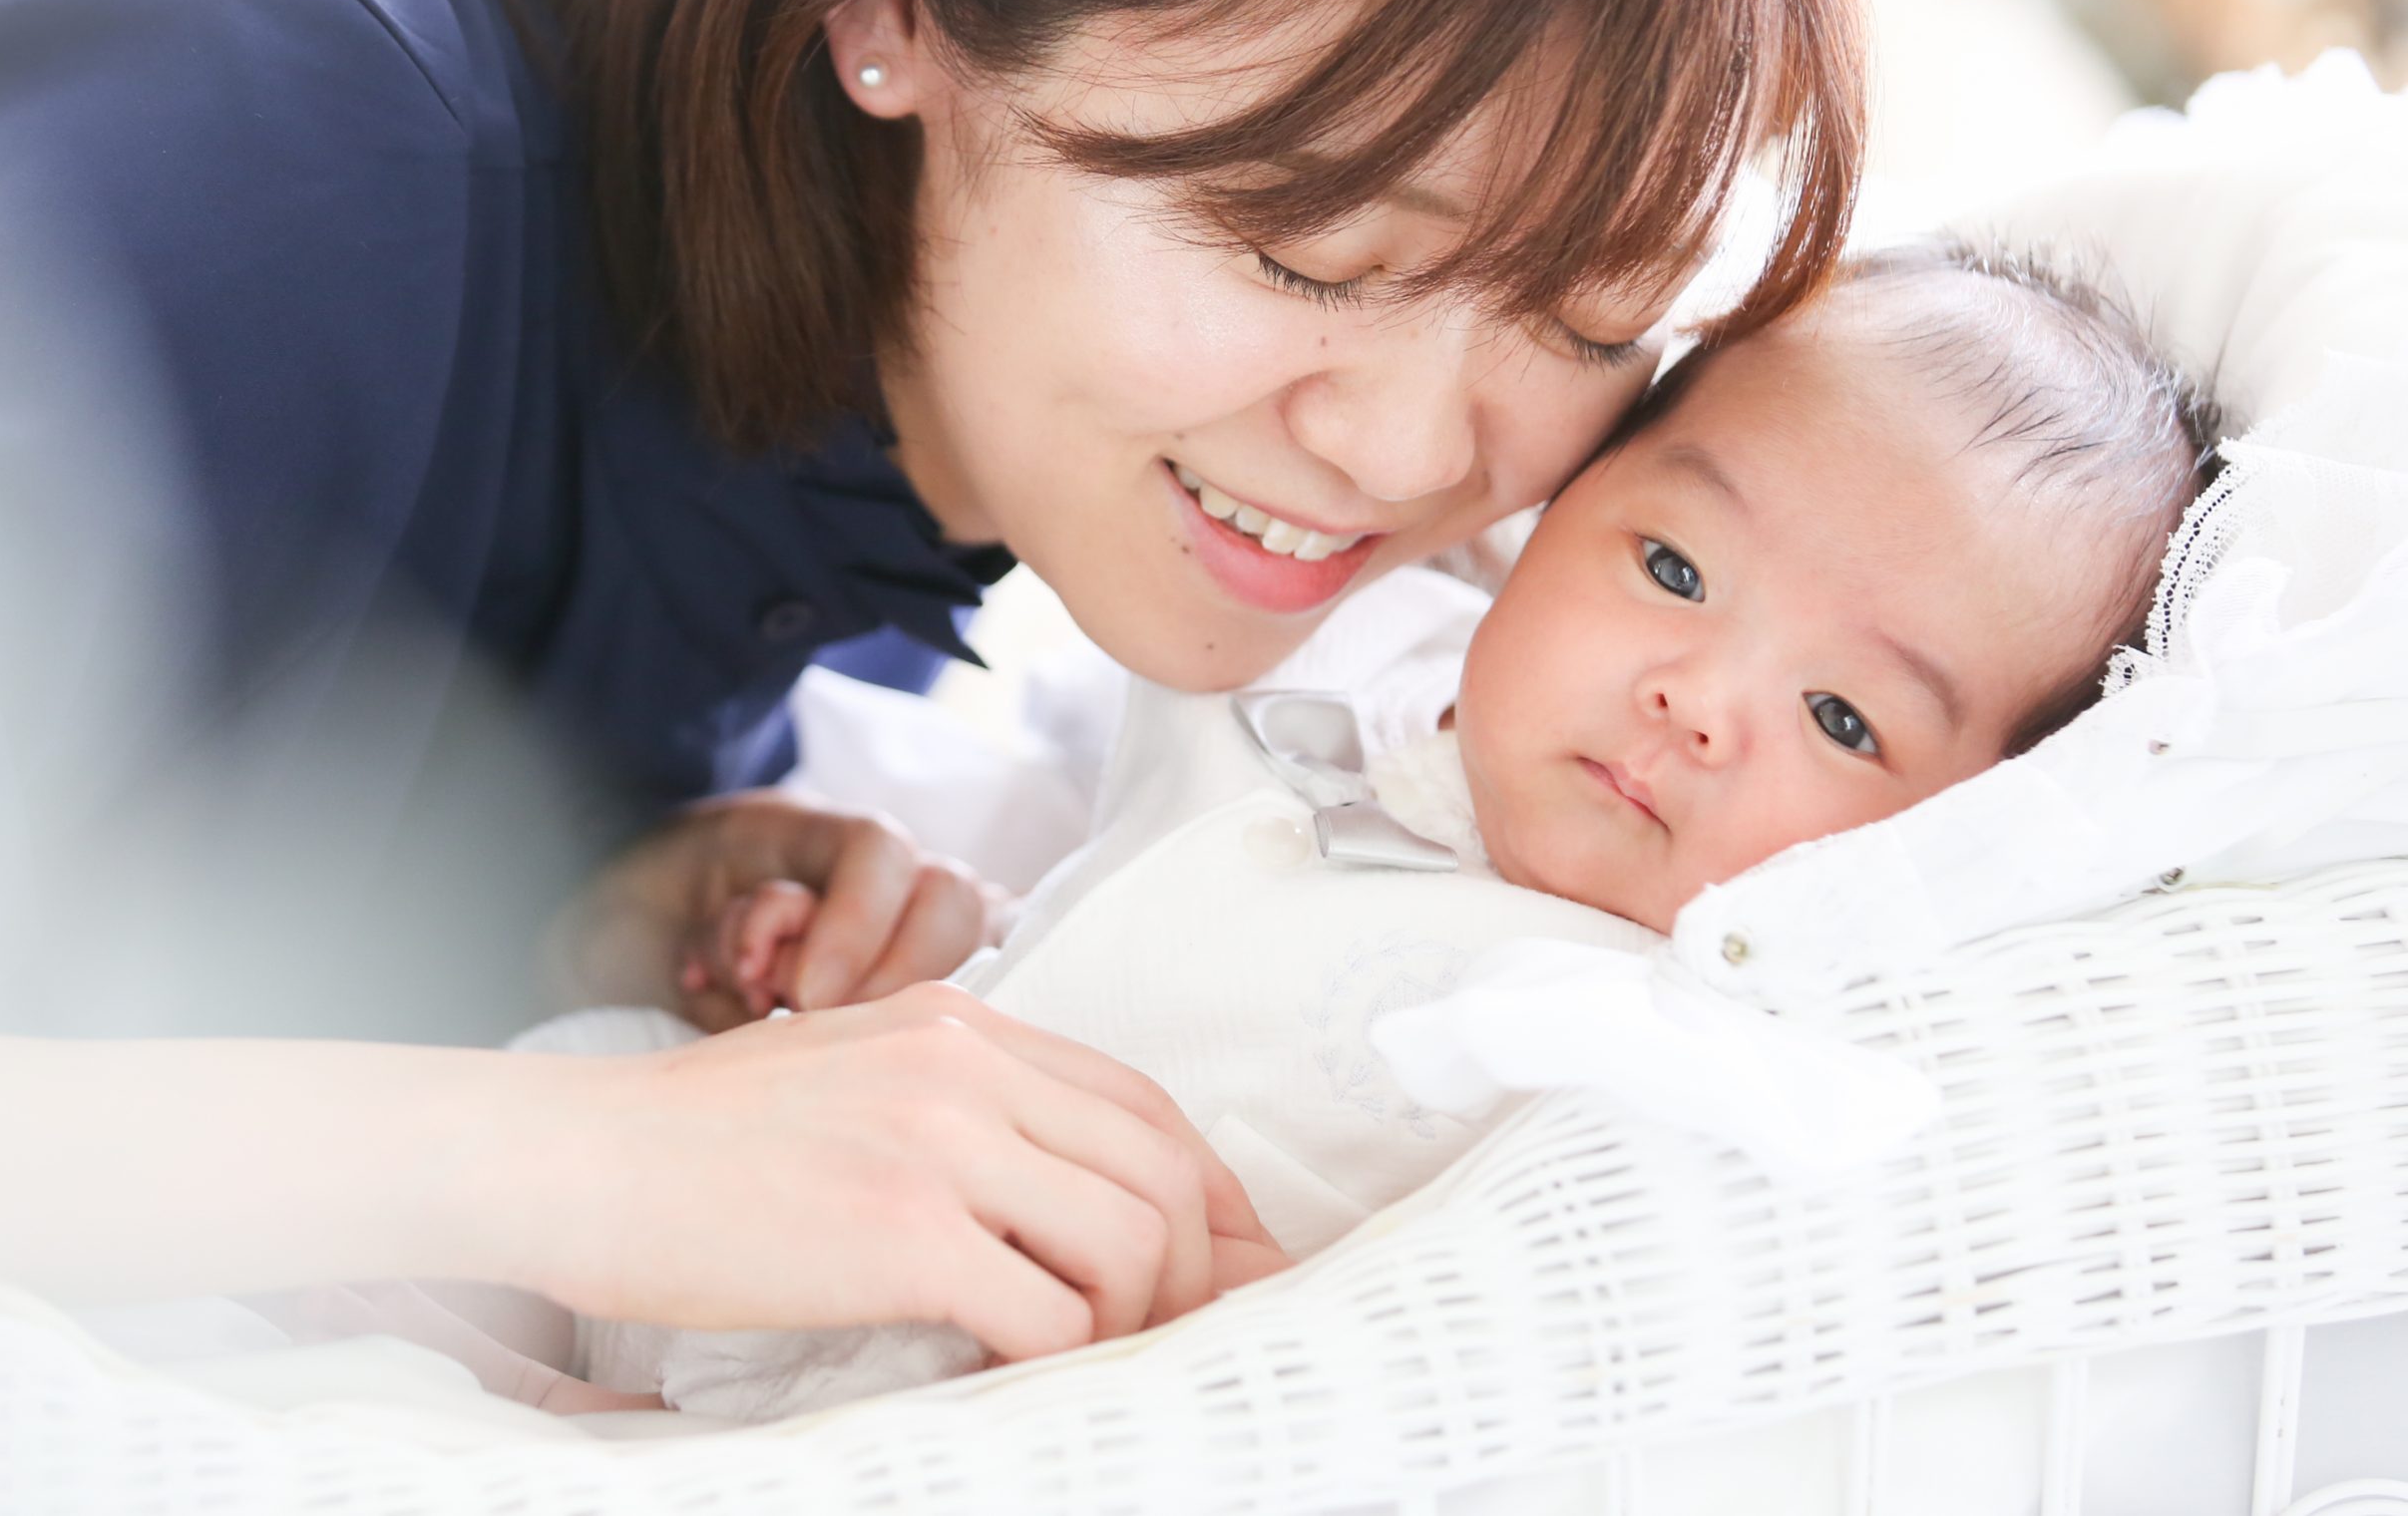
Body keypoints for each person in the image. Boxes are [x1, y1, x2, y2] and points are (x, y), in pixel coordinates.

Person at [0, 0, 1871, 1363]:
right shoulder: (261, 135)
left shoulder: (867, 446)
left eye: (1589, 311)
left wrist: (556, 912)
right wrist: (578, 1167)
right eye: (1306, 249)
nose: (1418, 452)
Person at [527, 235, 2214, 1417]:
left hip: (1007, 1405)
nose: (1698, 700)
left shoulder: (1653, 1045)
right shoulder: (1336, 662)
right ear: (1556, 516)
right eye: (1674, 571)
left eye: (1844, 722)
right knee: (529, 1089)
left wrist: (1289, 1341)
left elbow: (1522, 1371)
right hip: (754, 1184)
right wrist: (883, 912)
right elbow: (1068, 844)